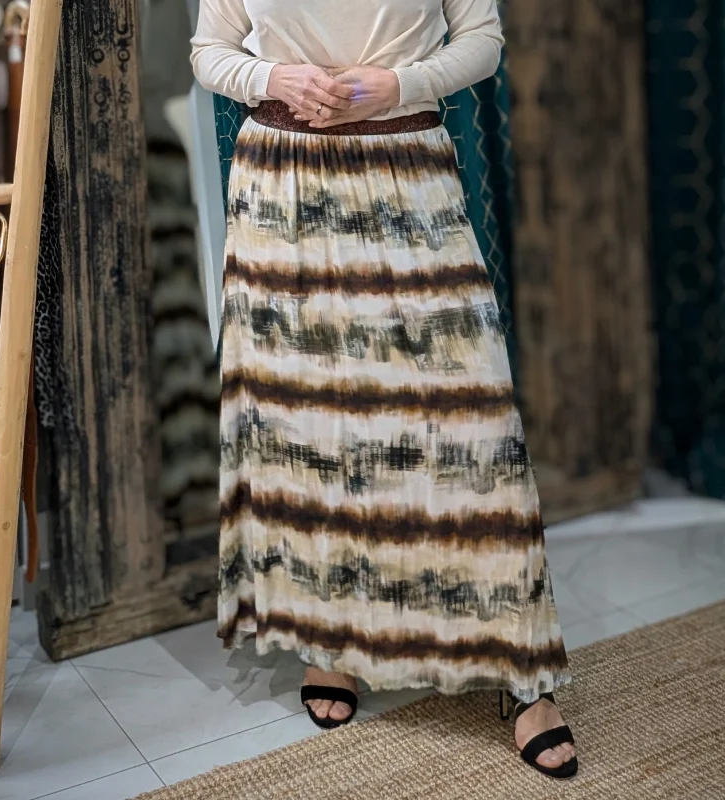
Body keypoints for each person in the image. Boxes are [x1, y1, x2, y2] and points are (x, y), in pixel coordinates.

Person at [191, 0, 577, 780]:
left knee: (471, 431)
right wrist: (275, 78)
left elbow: (483, 41)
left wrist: (398, 85)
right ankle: (330, 640)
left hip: (407, 173)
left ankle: (525, 672)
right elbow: (210, 52)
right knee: (308, 430)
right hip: (282, 187)